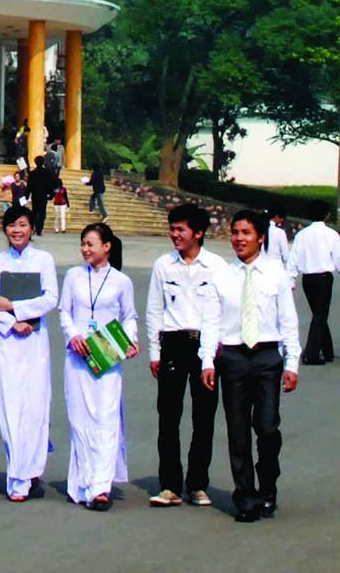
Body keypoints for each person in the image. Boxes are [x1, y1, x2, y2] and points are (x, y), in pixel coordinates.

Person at [204, 208, 300, 523]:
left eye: (246, 233)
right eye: (235, 233)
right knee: (237, 430)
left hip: (267, 357)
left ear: (260, 237)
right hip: (233, 358)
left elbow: (288, 321)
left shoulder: (276, 274)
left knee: (267, 427)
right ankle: (245, 497)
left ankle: (268, 484)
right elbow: (211, 322)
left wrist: (292, 363)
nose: (239, 239)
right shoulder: (222, 275)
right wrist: (207, 361)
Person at [0, 204, 59, 502]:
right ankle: (18, 476)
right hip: (7, 342)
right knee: (11, 407)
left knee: (35, 407)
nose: (17, 230)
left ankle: (31, 469)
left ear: (32, 228)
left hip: (35, 341)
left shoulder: (43, 260)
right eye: (12, 225)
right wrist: (10, 323)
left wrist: (14, 307)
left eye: (22, 225)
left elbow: (51, 298)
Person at [146, 202, 225, 507]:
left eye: (181, 229)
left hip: (206, 346)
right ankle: (169, 485)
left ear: (198, 233)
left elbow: (223, 311)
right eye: (172, 229)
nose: (174, 235)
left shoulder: (216, 266)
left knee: (203, 417)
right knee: (168, 416)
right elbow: (154, 309)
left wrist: (213, 353)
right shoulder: (163, 265)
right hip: (173, 344)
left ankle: (197, 484)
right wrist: (154, 352)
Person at [60, 221, 137, 510]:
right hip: (78, 355)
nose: (85, 249)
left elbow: (130, 316)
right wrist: (73, 335)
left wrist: (130, 340)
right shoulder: (73, 276)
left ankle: (101, 486)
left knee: (106, 418)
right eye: (82, 244)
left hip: (107, 355)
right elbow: (64, 311)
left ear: (107, 246)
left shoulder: (121, 281)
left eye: (90, 244)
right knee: (80, 418)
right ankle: (83, 482)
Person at [291, 200, 340, 365]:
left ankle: (327, 350)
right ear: (326, 215)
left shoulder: (301, 235)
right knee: (320, 314)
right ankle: (311, 353)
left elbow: (293, 259)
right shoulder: (331, 234)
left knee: (318, 313)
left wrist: (291, 279)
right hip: (323, 278)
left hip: (307, 278)